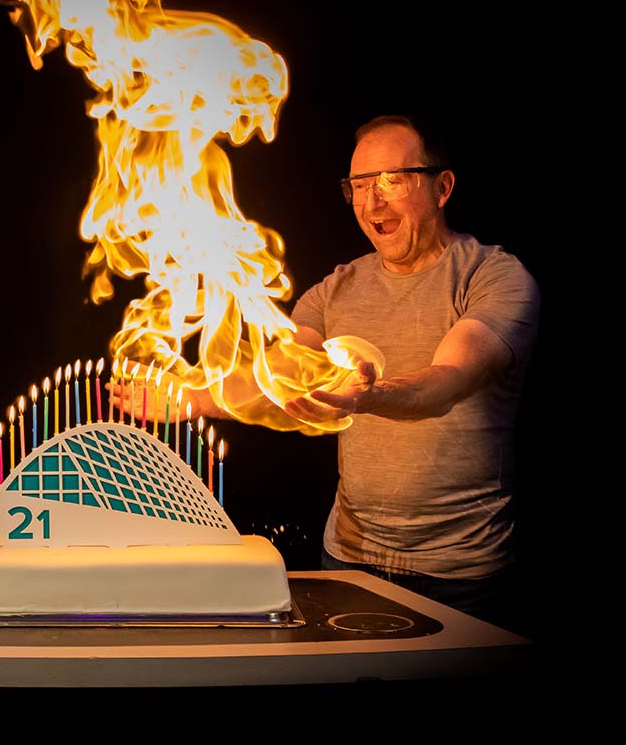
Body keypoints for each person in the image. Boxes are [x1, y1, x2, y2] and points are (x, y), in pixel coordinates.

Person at [119, 114, 540, 632]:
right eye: (360, 185)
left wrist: (366, 395)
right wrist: (194, 398)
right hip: (347, 558)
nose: (372, 202)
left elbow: (445, 382)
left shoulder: (493, 277)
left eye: (392, 180)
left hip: (462, 572)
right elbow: (276, 377)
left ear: (442, 187)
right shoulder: (333, 290)